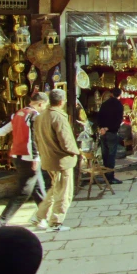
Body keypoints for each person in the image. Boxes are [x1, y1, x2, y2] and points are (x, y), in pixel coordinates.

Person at [0, 92, 49, 229]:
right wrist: (36, 157)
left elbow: (2, 131)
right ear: (40, 103)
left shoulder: (18, 114)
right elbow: (33, 139)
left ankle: (43, 216)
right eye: (45, 105)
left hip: (17, 155)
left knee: (38, 187)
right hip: (28, 157)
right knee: (23, 192)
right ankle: (1, 221)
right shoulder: (34, 116)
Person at [33, 89, 80, 232]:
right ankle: (55, 222)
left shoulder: (41, 116)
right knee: (64, 192)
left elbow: (36, 139)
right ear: (62, 101)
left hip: (48, 159)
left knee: (55, 189)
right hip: (61, 160)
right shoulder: (58, 117)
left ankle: (39, 215)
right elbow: (66, 141)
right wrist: (76, 152)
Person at [97, 87, 124, 184]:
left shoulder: (104, 104)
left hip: (103, 133)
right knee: (111, 156)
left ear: (111, 94)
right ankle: (110, 177)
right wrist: (108, 128)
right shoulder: (119, 105)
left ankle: (105, 176)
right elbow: (118, 121)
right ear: (119, 95)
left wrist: (102, 128)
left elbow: (99, 117)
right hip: (111, 133)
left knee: (105, 155)